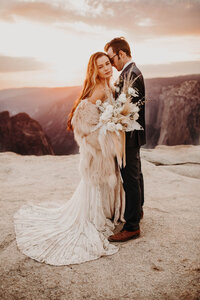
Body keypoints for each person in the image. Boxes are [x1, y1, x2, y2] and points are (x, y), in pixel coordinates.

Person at [14, 52, 125, 266]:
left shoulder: (107, 85)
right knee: (96, 186)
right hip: (98, 154)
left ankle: (104, 213)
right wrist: (105, 136)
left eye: (107, 64)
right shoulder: (99, 89)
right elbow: (81, 122)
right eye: (101, 67)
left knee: (98, 187)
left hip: (103, 151)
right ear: (95, 70)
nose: (106, 69)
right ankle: (96, 217)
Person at [104, 37, 146, 242]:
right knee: (135, 174)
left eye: (111, 59)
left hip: (128, 135)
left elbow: (131, 110)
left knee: (130, 178)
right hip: (130, 134)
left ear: (121, 54)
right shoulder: (130, 72)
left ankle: (132, 226)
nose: (112, 64)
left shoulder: (132, 74)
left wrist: (111, 117)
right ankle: (137, 211)